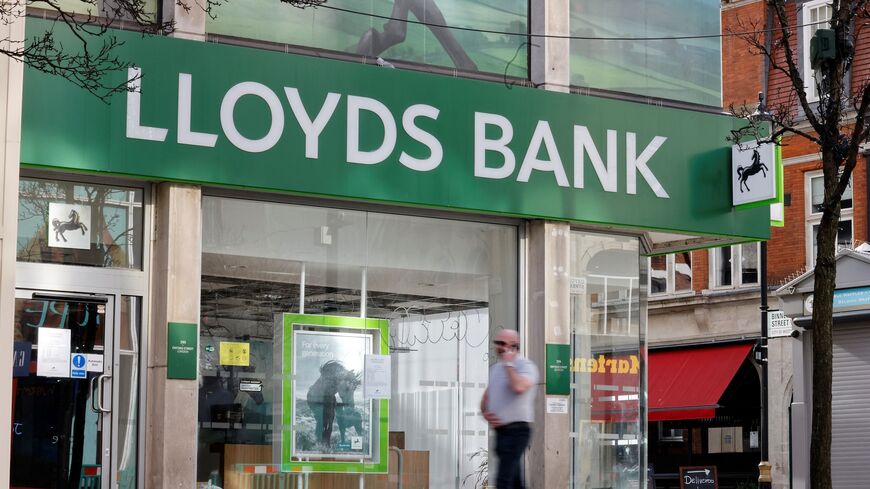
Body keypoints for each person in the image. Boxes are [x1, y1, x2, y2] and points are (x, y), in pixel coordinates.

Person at [480, 329, 539, 489]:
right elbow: (486, 397)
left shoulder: (525, 366)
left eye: (502, 343)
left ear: (513, 346)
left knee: (503, 479)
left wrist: (509, 364)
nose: (497, 347)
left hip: (517, 431)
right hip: (501, 431)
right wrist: (486, 412)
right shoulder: (495, 369)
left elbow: (518, 387)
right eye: (497, 343)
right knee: (514, 481)